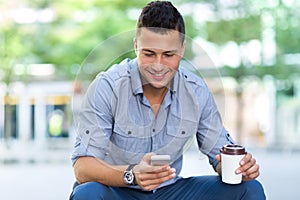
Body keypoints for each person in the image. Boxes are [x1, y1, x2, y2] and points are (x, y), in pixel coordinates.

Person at [69, 1, 266, 199]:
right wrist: (131, 174)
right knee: (87, 193)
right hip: (119, 189)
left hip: (171, 192)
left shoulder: (196, 91)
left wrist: (239, 168)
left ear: (182, 49)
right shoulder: (107, 87)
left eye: (168, 55)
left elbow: (220, 157)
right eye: (149, 53)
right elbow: (82, 167)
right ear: (136, 46)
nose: (158, 66)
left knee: (250, 189)